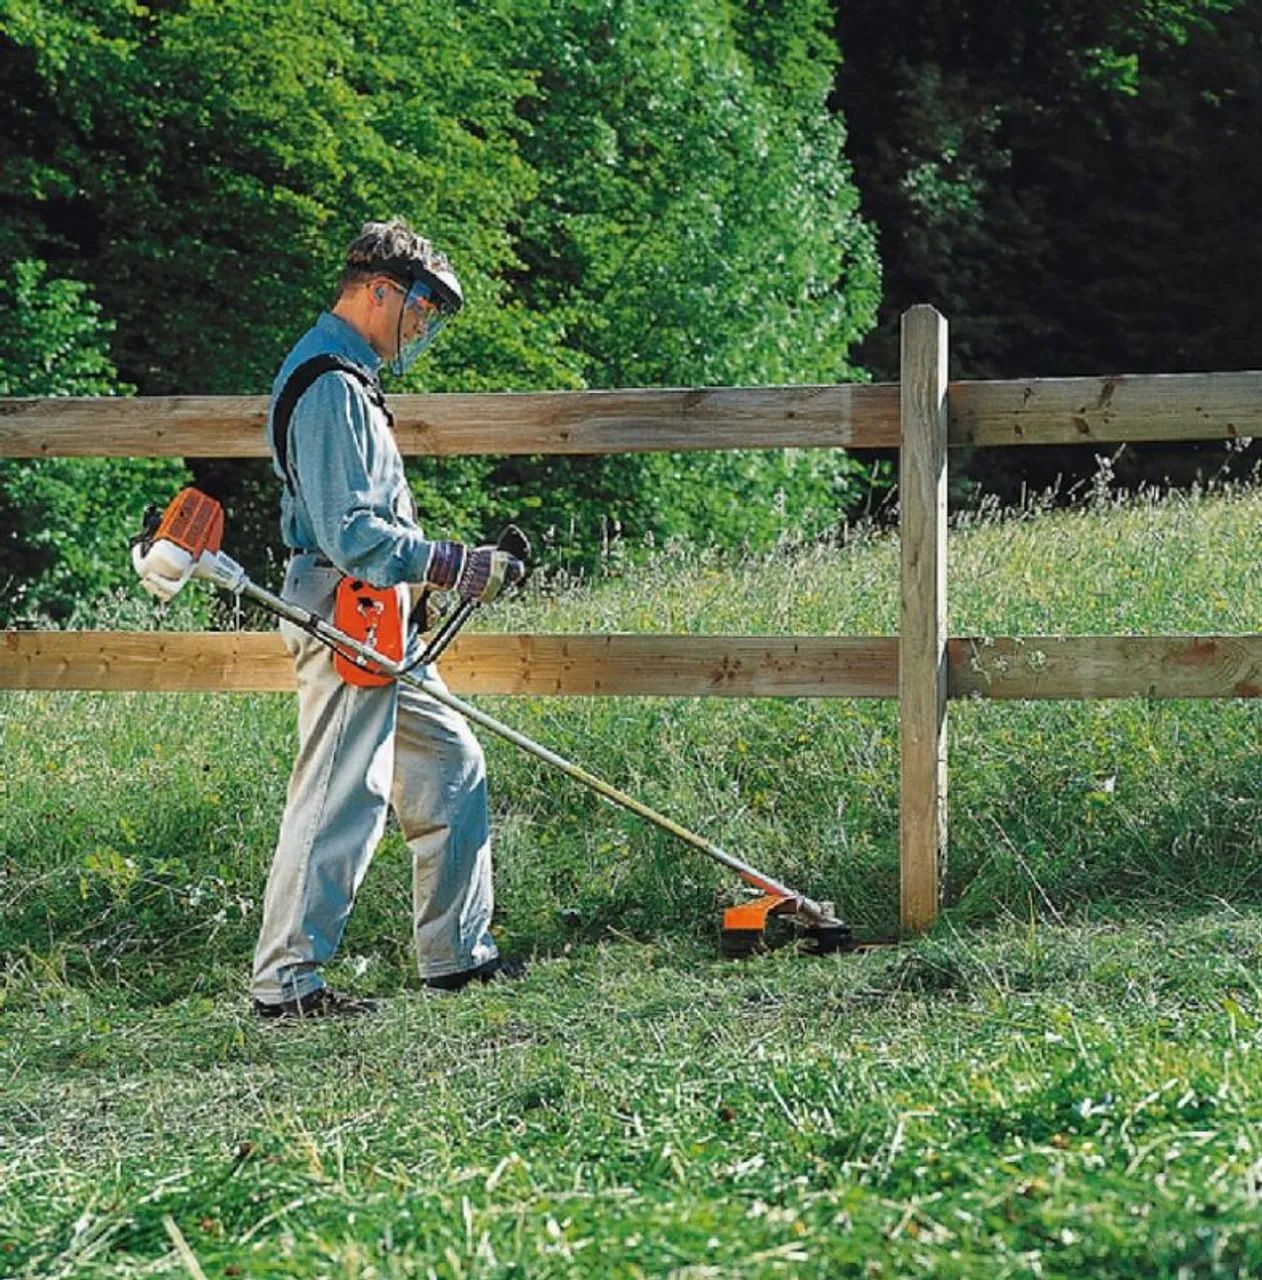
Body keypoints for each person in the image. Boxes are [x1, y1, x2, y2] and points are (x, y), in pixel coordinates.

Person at [250, 218, 525, 1018]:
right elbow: (354, 534)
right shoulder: (331, 384)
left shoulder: (349, 376)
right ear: (378, 291)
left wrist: (424, 582)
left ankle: (456, 957)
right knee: (340, 797)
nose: (423, 327)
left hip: (378, 614)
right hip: (346, 614)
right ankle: (286, 984)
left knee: (449, 765)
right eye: (421, 309)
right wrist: (453, 563)